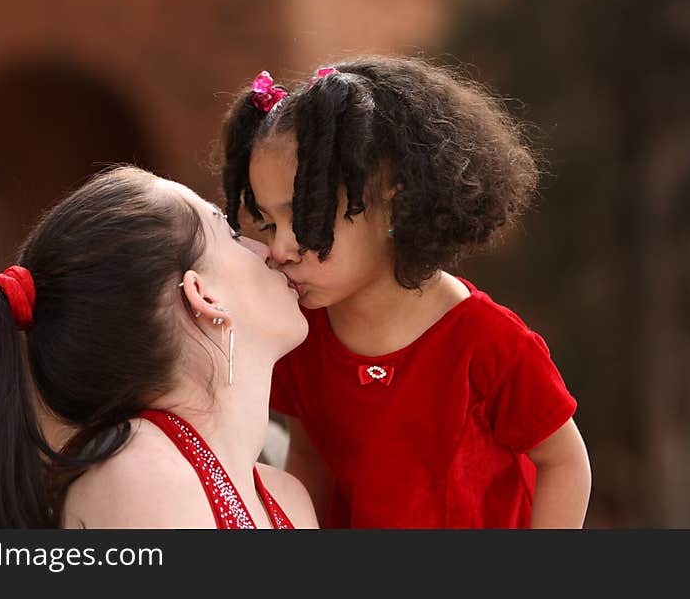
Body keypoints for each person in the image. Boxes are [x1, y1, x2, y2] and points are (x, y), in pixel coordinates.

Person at [219, 56, 592, 528]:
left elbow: (564, 461)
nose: (282, 247)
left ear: (393, 194)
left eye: (306, 214)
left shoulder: (490, 341)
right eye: (270, 223)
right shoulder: (301, 333)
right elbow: (311, 459)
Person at [0, 166, 317, 528]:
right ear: (203, 294)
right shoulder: (143, 477)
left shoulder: (290, 499)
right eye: (230, 233)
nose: (267, 249)